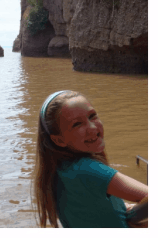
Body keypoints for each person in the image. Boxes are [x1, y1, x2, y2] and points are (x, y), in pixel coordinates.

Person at [34, 90, 148, 228]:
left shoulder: (59, 169)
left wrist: (121, 207)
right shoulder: (88, 169)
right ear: (59, 140)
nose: (92, 127)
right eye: (77, 124)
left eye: (92, 116)